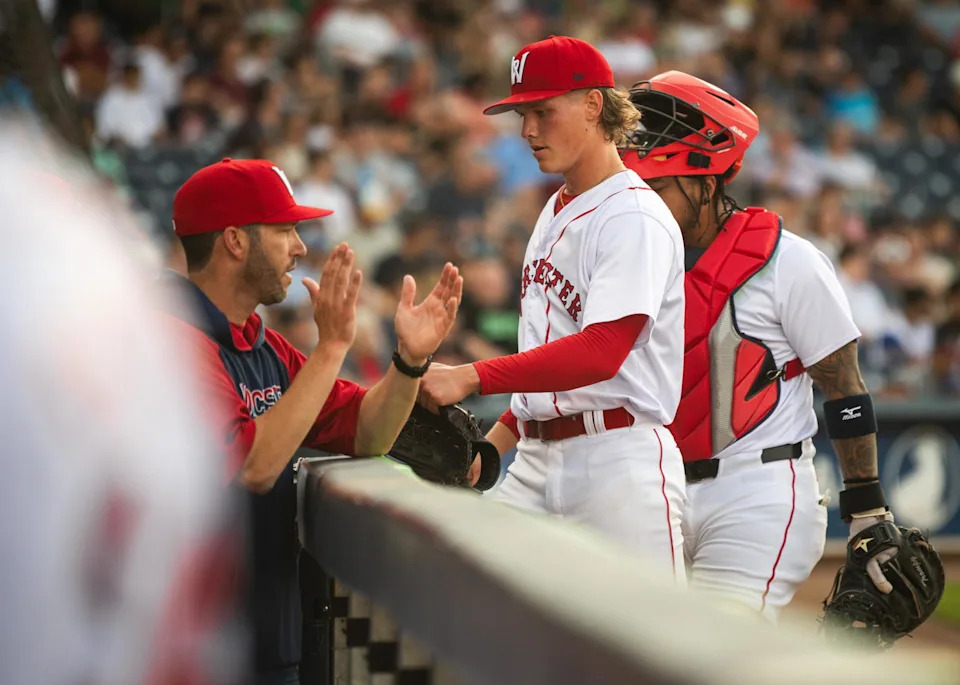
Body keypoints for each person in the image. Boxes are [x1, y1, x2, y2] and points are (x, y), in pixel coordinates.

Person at [166, 157, 462, 684]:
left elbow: (368, 432)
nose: (301, 248)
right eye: (285, 231)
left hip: (267, 637)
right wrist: (332, 346)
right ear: (236, 242)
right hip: (198, 649)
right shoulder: (171, 337)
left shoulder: (264, 344)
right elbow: (252, 467)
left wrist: (409, 363)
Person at [619, 71, 895, 620]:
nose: (643, 202)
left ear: (708, 179)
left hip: (757, 488)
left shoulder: (789, 261)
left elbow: (843, 385)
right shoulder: (627, 254)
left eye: (659, 187)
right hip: (654, 489)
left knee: (714, 649)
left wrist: (865, 506)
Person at [418, 36, 687, 582]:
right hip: (535, 461)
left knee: (640, 655)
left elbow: (600, 354)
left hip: (617, 463)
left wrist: (471, 375)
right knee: (477, 611)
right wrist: (494, 447)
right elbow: (549, 358)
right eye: (523, 113)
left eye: (543, 111)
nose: (528, 131)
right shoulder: (555, 207)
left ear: (594, 105)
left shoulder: (632, 216)